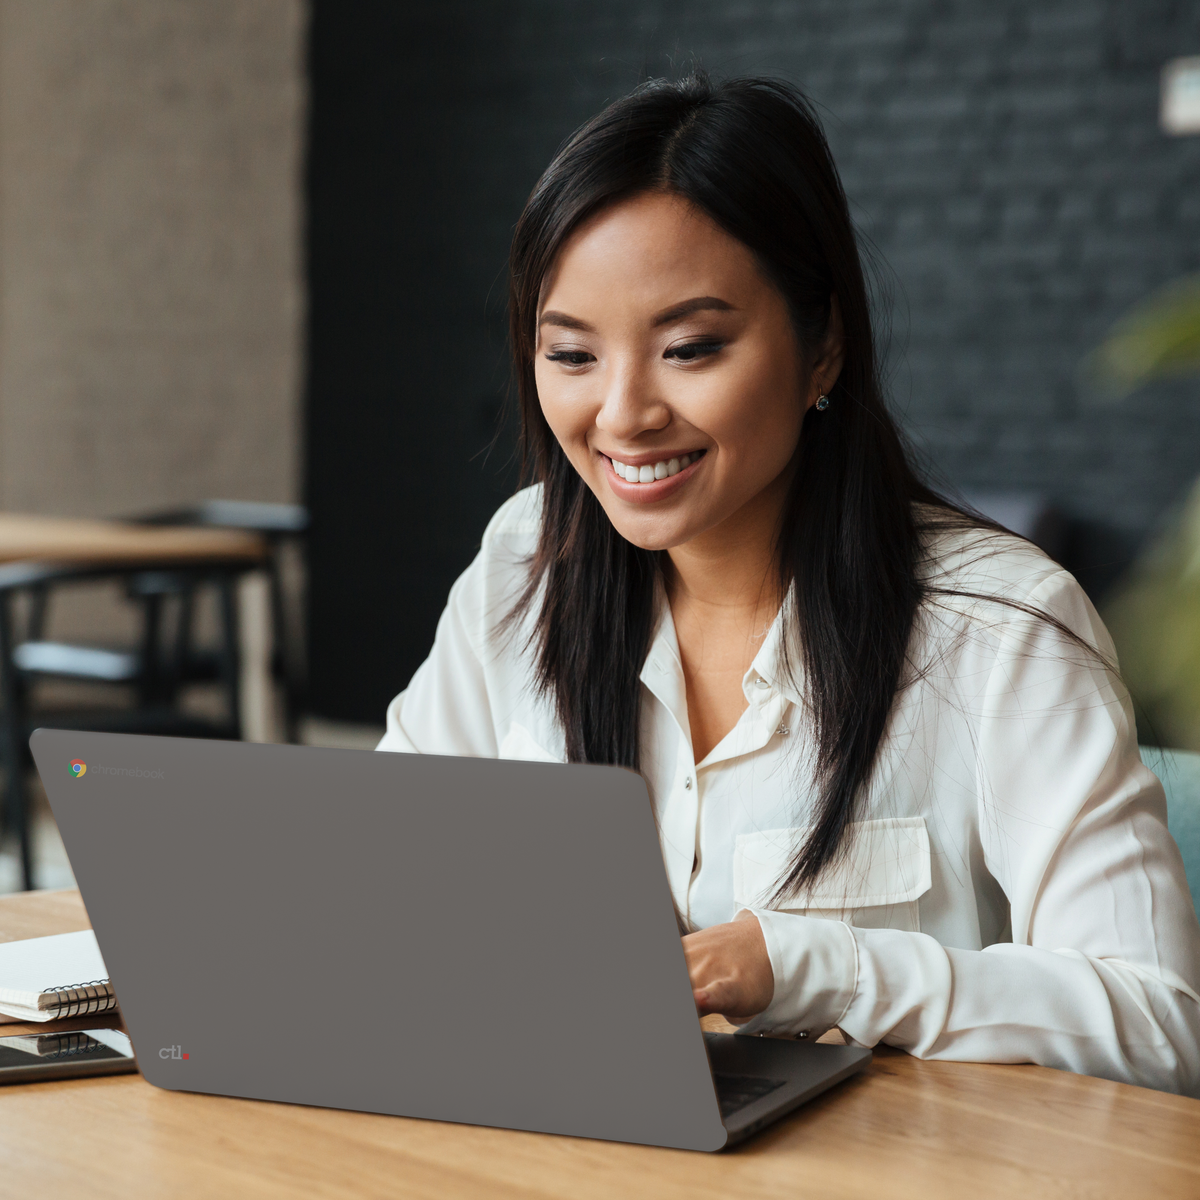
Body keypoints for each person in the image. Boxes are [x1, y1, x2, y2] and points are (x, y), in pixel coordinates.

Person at [377, 73, 1200, 1094]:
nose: (623, 413)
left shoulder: (1001, 627)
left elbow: (1164, 1025)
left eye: (688, 348)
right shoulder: (529, 562)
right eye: (572, 354)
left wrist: (805, 968)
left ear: (823, 349)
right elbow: (383, 870)